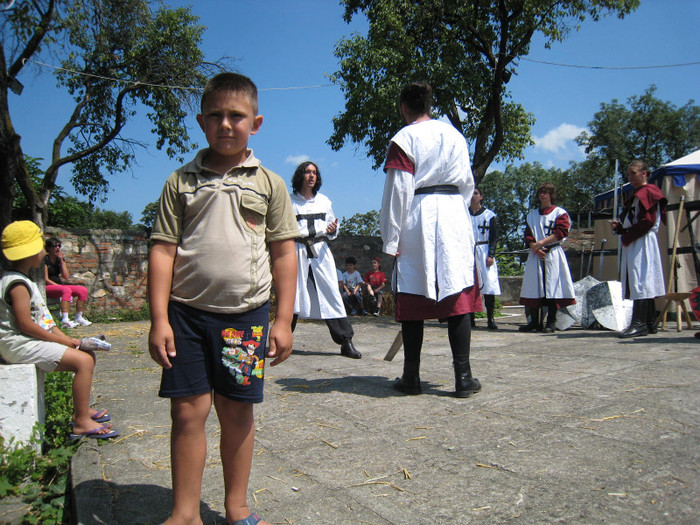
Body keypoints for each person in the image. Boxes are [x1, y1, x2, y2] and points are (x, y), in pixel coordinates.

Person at [148, 72, 299, 525]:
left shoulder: (270, 184)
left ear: (256, 122)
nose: (226, 124)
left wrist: (283, 319)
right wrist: (159, 319)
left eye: (237, 116)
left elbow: (284, 253)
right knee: (188, 412)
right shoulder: (181, 181)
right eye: (216, 115)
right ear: (200, 121)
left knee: (236, 412)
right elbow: (162, 250)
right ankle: (185, 513)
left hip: (245, 320)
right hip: (186, 318)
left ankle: (237, 509)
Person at [380, 81, 482, 398]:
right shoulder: (455, 136)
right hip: (453, 214)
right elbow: (467, 183)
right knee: (457, 290)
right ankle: (463, 378)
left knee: (412, 293)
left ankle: (411, 377)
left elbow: (397, 193)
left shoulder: (404, 139)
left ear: (403, 108)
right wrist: (455, 209)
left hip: (418, 215)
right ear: (429, 105)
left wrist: (391, 240)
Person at [0, 221, 118, 440]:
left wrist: (68, 339)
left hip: (23, 341)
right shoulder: (17, 284)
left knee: (86, 355)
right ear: (31, 253)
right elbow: (26, 325)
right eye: (41, 247)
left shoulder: (22, 280)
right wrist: (62, 342)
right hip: (17, 344)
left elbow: (44, 321)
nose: (44, 251)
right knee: (82, 362)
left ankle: (82, 411)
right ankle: (81, 421)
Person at [290, 161, 362, 359]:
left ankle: (346, 341)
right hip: (297, 250)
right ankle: (282, 341)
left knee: (330, 293)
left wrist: (332, 230)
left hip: (321, 251)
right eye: (307, 172)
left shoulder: (324, 201)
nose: (311, 176)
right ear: (300, 175)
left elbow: (333, 227)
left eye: (314, 172)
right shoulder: (289, 202)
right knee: (293, 294)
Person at [611, 160, 666, 338]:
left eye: (633, 173)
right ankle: (649, 322)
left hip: (642, 241)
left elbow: (648, 221)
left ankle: (639, 324)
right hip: (637, 239)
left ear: (644, 174)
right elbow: (635, 220)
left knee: (641, 279)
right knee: (641, 279)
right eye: (628, 173)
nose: (630, 176)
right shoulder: (639, 194)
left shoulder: (648, 192)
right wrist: (621, 228)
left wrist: (628, 235)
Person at [518, 182, 575, 333]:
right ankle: (534, 322)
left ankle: (551, 322)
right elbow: (528, 235)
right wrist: (535, 248)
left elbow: (561, 232)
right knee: (534, 288)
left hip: (553, 253)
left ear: (551, 195)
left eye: (545, 192)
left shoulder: (559, 213)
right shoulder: (532, 215)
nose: (542, 195)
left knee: (552, 288)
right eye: (540, 193)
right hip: (536, 255)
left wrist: (541, 244)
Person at [469, 188, 501, 330]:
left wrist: (491, 255)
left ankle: (490, 318)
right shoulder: (464, 214)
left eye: (475, 193)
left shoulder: (489, 215)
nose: (473, 196)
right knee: (469, 285)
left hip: (484, 250)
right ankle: (470, 318)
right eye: (471, 193)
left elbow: (494, 237)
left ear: (481, 196)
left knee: (488, 285)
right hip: (469, 251)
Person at [44, 237, 92, 328]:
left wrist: (62, 261)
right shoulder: (45, 260)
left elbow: (66, 276)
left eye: (59, 246)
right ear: (49, 248)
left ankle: (78, 317)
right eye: (55, 246)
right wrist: (59, 286)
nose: (57, 248)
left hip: (59, 285)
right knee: (66, 289)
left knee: (83, 290)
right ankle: (65, 320)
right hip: (48, 286)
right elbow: (45, 279)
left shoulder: (59, 259)